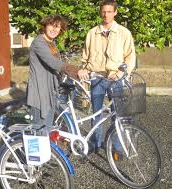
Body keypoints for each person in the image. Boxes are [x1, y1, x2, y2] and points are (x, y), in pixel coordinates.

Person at [78, 0, 136, 153]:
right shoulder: (92, 33)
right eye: (104, 11)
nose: (106, 14)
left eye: (109, 11)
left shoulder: (124, 33)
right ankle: (94, 144)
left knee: (117, 114)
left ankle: (115, 147)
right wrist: (85, 71)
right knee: (96, 113)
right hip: (97, 78)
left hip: (116, 79)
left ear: (115, 12)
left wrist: (121, 73)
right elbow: (85, 57)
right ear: (100, 12)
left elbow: (130, 57)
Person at [27, 14, 79, 130]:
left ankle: (48, 147)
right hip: (40, 93)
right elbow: (53, 62)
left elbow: (56, 66)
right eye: (51, 25)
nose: (54, 29)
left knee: (48, 128)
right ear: (45, 26)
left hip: (50, 91)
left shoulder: (51, 43)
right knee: (40, 131)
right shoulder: (38, 43)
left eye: (57, 27)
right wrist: (76, 71)